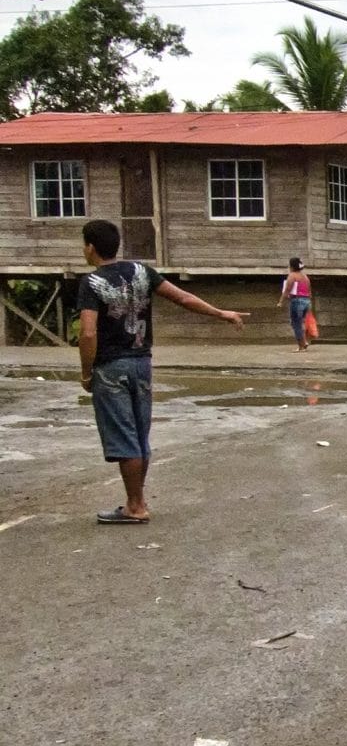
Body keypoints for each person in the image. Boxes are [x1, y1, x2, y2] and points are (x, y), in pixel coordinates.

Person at [77, 220, 247, 525]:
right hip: (142, 363)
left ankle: (135, 506)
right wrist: (221, 313)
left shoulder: (91, 282)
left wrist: (86, 373)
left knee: (124, 437)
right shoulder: (143, 272)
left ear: (90, 247)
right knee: (140, 435)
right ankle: (137, 501)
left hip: (111, 367)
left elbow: (88, 333)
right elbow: (182, 297)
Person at [276, 256, 312, 352]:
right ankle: (304, 342)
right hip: (306, 301)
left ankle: (301, 346)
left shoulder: (292, 275)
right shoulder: (305, 276)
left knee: (295, 323)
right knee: (301, 322)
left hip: (297, 301)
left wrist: (280, 301)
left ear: (291, 266)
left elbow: (287, 289)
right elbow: (309, 291)